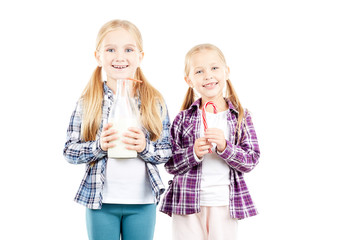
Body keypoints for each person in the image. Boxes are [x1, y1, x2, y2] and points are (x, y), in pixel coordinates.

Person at [63, 19, 171, 240]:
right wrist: (99, 146)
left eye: (128, 49)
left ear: (140, 57)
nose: (120, 57)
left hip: (142, 202)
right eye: (110, 49)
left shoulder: (154, 101)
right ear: (98, 57)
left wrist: (145, 147)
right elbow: (69, 150)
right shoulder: (88, 101)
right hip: (100, 201)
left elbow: (168, 150)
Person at [159, 43, 260, 240]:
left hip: (224, 203)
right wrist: (193, 153)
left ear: (227, 71)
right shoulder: (183, 118)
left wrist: (225, 147)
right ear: (189, 80)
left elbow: (251, 159)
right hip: (187, 203)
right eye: (199, 71)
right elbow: (170, 164)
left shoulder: (240, 117)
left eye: (214, 68)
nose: (208, 75)